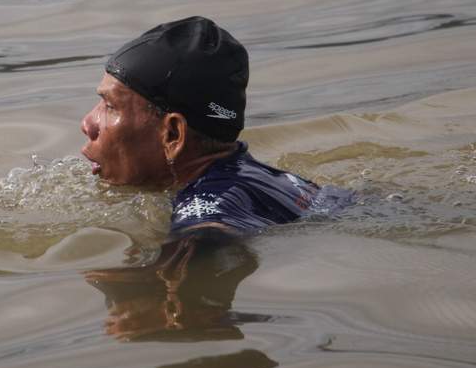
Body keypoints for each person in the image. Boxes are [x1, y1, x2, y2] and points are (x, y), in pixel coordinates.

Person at [80, 16, 348, 237]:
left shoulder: (203, 223)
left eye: (110, 106)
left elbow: (205, 254)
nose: (87, 123)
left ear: (173, 134)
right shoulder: (269, 179)